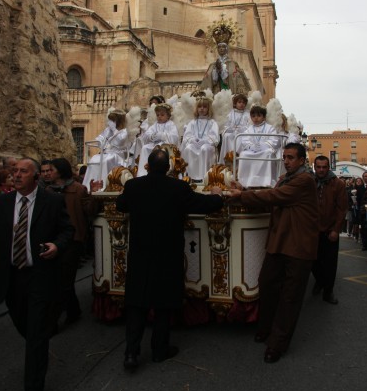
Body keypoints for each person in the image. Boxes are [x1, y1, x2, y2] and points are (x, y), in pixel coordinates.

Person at [116, 148, 224, 372]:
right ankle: (159, 350)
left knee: (137, 303)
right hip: (167, 253)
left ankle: (131, 353)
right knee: (163, 302)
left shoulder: (133, 186)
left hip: (141, 253)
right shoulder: (178, 187)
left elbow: (120, 205)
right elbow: (203, 204)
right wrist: (217, 195)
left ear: (146, 165)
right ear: (169, 168)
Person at [228, 143, 319, 363]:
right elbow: (273, 194)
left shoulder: (304, 180)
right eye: (284, 157)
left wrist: (241, 196)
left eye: (290, 158)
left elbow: (275, 196)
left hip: (298, 248)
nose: (286, 161)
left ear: (301, 161)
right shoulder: (285, 178)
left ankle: (277, 344)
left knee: (290, 298)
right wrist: (245, 190)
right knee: (266, 284)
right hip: (280, 244)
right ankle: (266, 328)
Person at [0, 158, 74, 391]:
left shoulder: (50, 202)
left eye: (23, 171)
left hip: (39, 276)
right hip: (12, 279)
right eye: (14, 171)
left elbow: (67, 231)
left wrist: (57, 246)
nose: (16, 175)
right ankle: (37, 342)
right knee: (23, 325)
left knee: (36, 335)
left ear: (35, 177)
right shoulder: (3, 203)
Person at [48, 158, 99, 327]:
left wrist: (93, 195)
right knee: (58, 280)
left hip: (74, 239)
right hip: (53, 240)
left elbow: (89, 212)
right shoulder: (47, 190)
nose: (47, 173)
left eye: (51, 170)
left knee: (64, 281)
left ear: (60, 171)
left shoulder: (78, 189)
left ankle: (52, 321)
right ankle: (73, 310)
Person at [311, 155, 348, 304]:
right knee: (312, 261)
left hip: (330, 231)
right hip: (312, 232)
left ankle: (328, 292)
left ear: (328, 167)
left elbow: (341, 208)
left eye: (324, 167)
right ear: (314, 167)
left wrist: (336, 229)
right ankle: (320, 281)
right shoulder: (309, 182)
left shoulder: (337, 184)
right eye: (318, 167)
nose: (321, 170)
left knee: (330, 264)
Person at [82, 108, 129, 191]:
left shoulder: (124, 131)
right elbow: (100, 138)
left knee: (105, 161)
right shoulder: (108, 130)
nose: (110, 122)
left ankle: (103, 186)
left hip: (117, 155)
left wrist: (114, 130)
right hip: (106, 153)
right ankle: (89, 186)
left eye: (113, 120)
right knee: (94, 159)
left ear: (118, 121)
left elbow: (120, 142)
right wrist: (101, 140)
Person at [237, 104, 280, 188]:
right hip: (252, 151)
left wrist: (264, 145)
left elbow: (275, 140)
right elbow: (245, 140)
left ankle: (266, 181)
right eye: (253, 116)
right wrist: (251, 146)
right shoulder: (249, 129)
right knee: (243, 154)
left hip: (265, 150)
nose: (256, 118)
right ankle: (245, 181)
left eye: (259, 115)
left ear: (263, 117)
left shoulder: (270, 128)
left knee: (268, 153)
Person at [181, 96, 220, 182]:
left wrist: (204, 141)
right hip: (194, 144)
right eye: (199, 107)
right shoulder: (192, 122)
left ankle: (204, 177)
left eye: (204, 107)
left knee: (204, 149)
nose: (202, 109)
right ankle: (191, 177)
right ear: (196, 108)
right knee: (188, 148)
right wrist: (192, 140)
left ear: (208, 109)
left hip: (207, 145)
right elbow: (187, 136)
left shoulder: (212, 122)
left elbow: (214, 137)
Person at [136, 103, 179, 177]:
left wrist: (162, 135)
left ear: (168, 116)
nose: (159, 117)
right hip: (154, 144)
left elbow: (174, 137)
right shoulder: (155, 125)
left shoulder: (171, 124)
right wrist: (152, 136)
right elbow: (146, 135)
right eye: (158, 115)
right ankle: (143, 173)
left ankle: (162, 172)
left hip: (166, 146)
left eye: (162, 115)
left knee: (160, 150)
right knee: (145, 148)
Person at [218, 93, 250, 164]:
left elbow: (249, 126)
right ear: (235, 104)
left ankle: (239, 162)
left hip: (242, 134)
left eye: (243, 103)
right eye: (239, 102)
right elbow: (225, 125)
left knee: (241, 138)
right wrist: (231, 129)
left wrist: (241, 129)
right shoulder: (230, 114)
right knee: (226, 136)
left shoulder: (247, 114)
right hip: (231, 134)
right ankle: (227, 160)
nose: (242, 104)